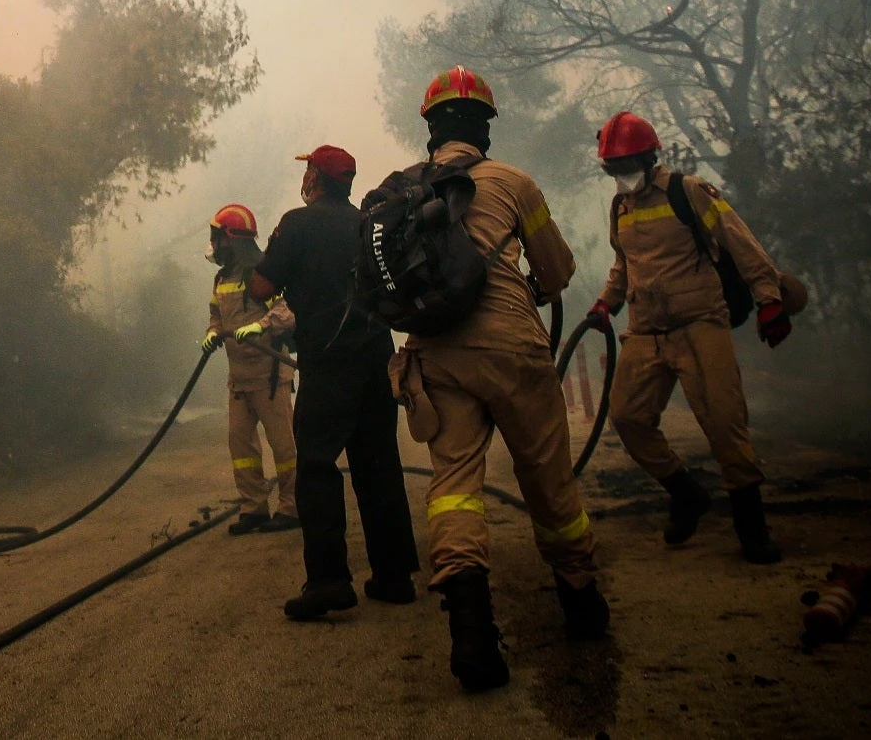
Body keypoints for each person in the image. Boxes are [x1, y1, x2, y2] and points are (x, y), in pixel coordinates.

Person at [386, 67, 605, 692]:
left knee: (453, 485)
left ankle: (473, 635)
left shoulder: (405, 190)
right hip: (511, 346)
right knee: (546, 474)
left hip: (433, 352)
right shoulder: (513, 182)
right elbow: (556, 270)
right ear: (485, 127)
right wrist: (527, 286)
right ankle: (581, 600)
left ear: (430, 128)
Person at [584, 111, 793, 564]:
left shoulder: (689, 191)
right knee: (627, 417)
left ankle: (752, 531)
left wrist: (769, 298)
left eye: (626, 165)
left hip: (700, 325)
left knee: (724, 425)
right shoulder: (621, 207)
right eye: (612, 169)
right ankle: (686, 493)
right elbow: (624, 263)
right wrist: (606, 303)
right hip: (646, 331)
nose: (620, 176)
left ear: (648, 156)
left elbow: (741, 243)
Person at [251, 145, 421, 621]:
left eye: (307, 170)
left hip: (328, 362)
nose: (303, 178)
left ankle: (328, 581)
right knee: (379, 465)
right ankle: (394, 578)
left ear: (316, 179)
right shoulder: (368, 223)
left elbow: (261, 288)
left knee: (318, 467)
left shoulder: (298, 223)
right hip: (376, 358)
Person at [199, 204, 301, 535]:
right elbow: (217, 313)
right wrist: (213, 332)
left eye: (217, 237)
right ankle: (253, 507)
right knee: (241, 446)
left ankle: (292, 507)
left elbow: (287, 314)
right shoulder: (222, 277)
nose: (213, 245)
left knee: (284, 447)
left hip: (270, 377)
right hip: (239, 380)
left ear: (231, 239)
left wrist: (260, 326)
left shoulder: (260, 274)